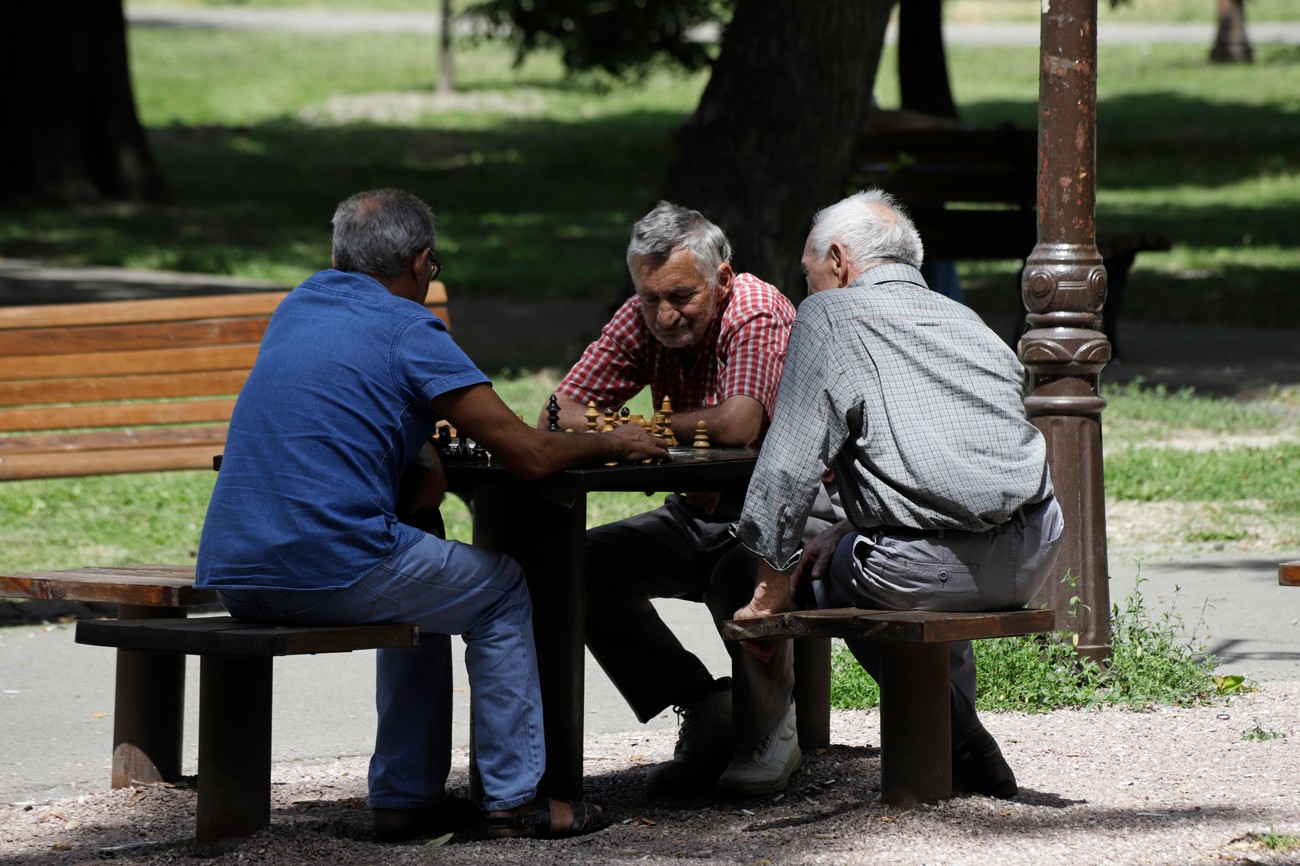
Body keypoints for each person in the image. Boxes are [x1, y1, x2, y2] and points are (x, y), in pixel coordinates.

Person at [196, 189, 667, 842]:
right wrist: (618, 440)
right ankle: (516, 803)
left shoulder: (298, 305)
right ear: (420, 263)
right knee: (501, 591)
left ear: (336, 257)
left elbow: (344, 394)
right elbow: (528, 453)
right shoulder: (409, 329)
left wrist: (415, 442)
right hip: (328, 565)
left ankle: (405, 800)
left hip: (236, 570)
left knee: (421, 561)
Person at [731, 189, 1065, 799]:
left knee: (825, 574)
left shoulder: (829, 316)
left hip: (924, 571)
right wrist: (843, 527)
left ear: (837, 260)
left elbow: (784, 471)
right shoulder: (965, 319)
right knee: (878, 549)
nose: (807, 290)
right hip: (1032, 552)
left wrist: (769, 593)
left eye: (807, 275)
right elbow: (946, 466)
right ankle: (959, 742)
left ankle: (952, 740)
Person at [542, 201, 808, 799]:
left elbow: (739, 424)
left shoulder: (755, 311)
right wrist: (620, 433)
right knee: (575, 564)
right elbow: (558, 413)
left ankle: (770, 729)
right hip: (694, 511)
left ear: (723, 279)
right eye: (648, 297)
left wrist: (640, 431)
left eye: (681, 297)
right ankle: (704, 704)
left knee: (740, 573)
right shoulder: (643, 316)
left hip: (772, 518)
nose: (664, 314)